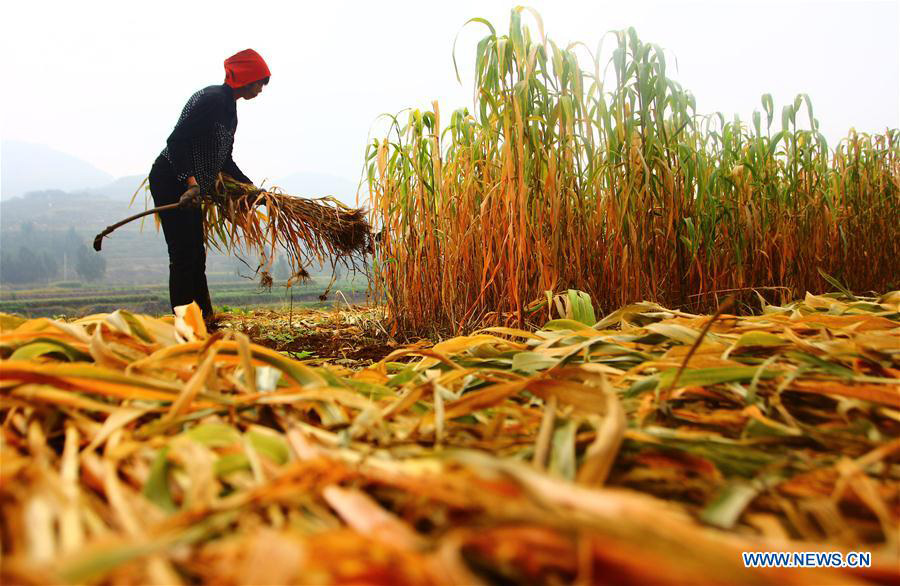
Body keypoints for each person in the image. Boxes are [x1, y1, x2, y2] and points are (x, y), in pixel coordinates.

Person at [148, 48, 270, 321]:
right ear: (247, 77)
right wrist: (190, 182)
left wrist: (251, 190)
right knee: (182, 255)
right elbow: (176, 141)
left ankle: (204, 318)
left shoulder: (230, 110)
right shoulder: (212, 99)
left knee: (196, 255)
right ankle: (184, 324)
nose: (261, 88)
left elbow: (224, 160)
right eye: (260, 81)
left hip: (190, 187)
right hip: (171, 180)